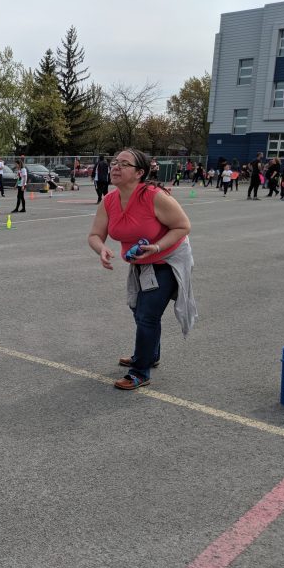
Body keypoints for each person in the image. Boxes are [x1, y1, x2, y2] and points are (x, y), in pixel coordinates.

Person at [87, 148, 196, 390]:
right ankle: (150, 354)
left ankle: (140, 371)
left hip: (168, 259)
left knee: (148, 314)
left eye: (124, 164)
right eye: (115, 162)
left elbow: (182, 226)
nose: (116, 166)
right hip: (140, 262)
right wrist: (101, 249)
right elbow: (95, 235)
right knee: (138, 310)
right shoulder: (110, 200)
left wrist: (157, 247)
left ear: (139, 173)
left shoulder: (153, 196)